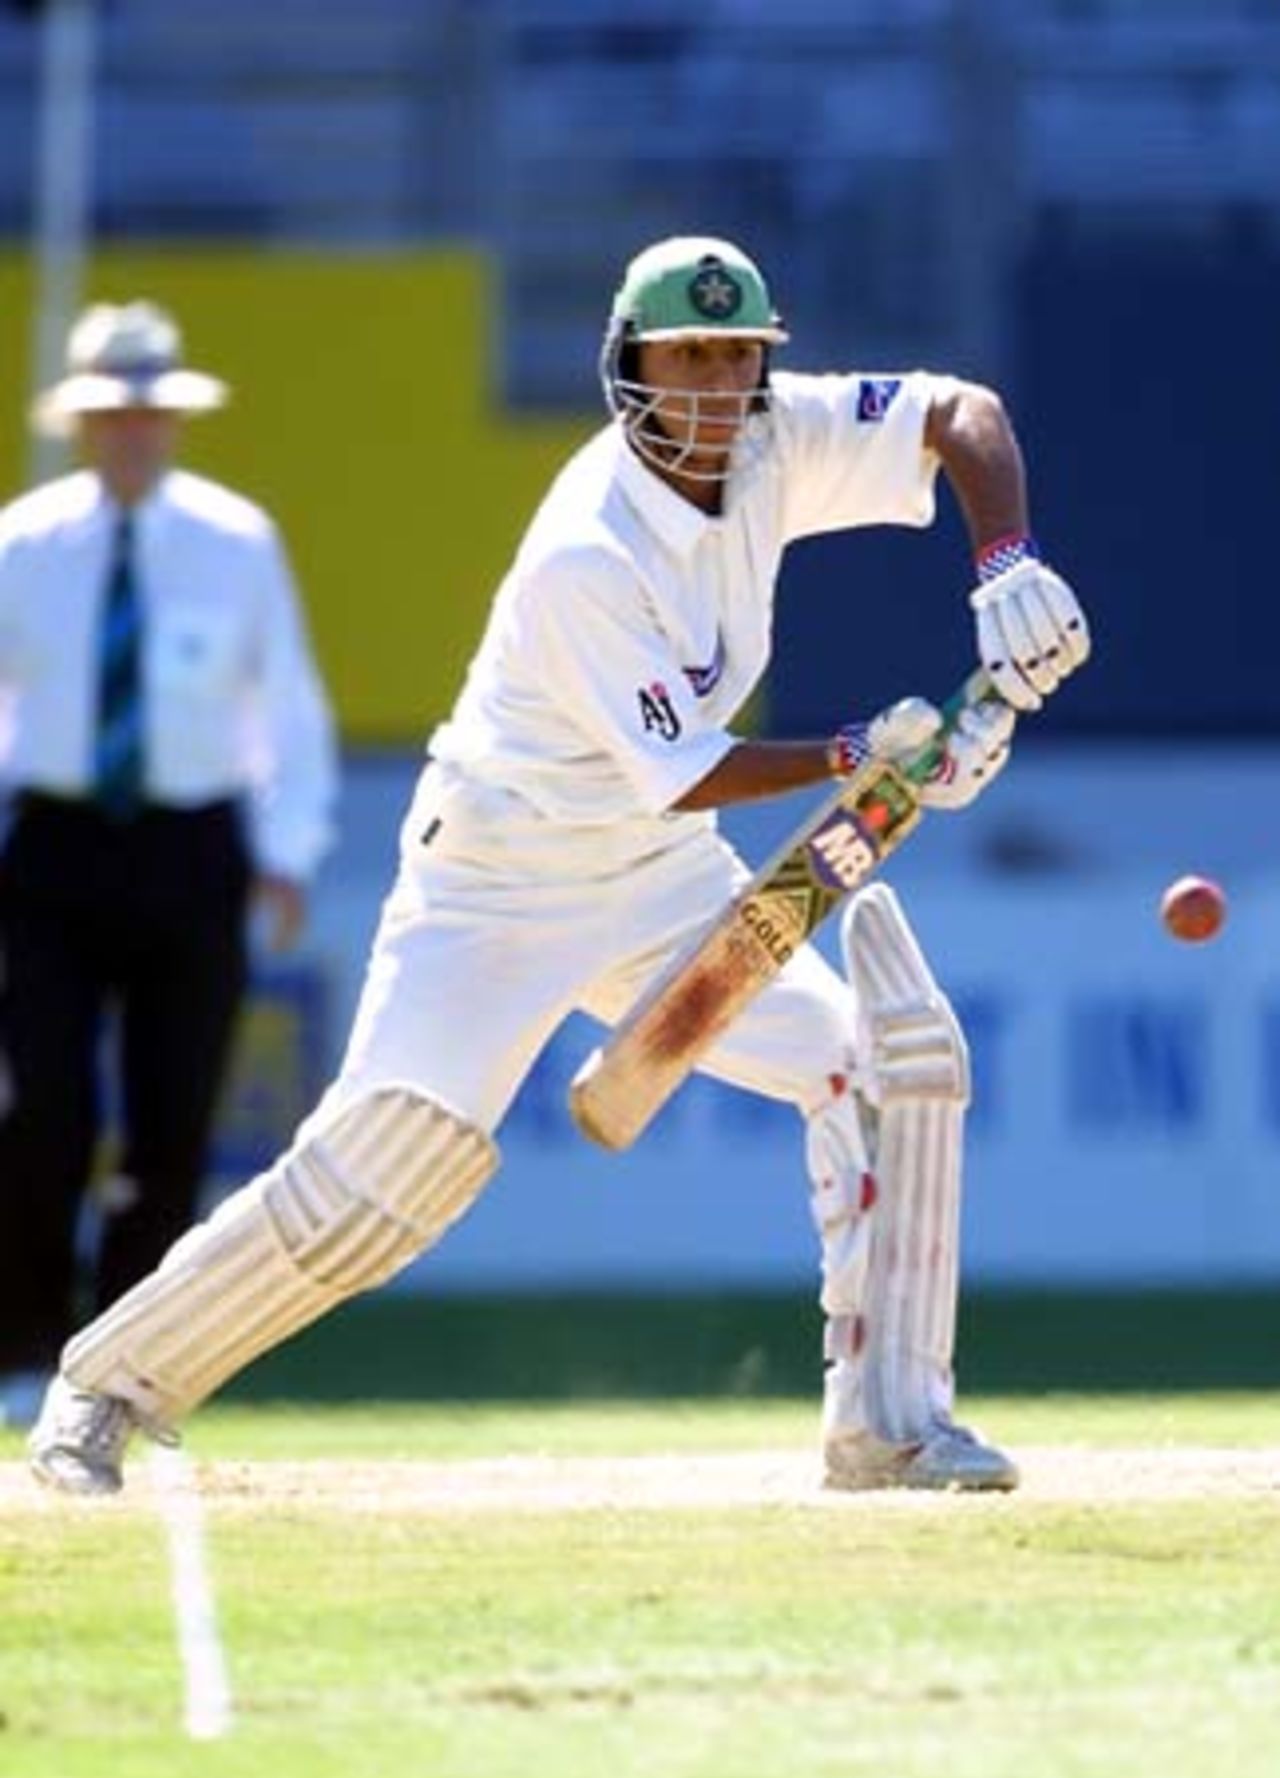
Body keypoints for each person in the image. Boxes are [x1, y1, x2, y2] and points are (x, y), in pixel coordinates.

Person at [27, 237, 1088, 1496]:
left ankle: (888, 1423)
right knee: (383, 1171)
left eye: (735, 356)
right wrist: (870, 749)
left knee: (883, 1068)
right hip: (495, 881)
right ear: (626, 368)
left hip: (658, 874)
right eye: (682, 357)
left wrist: (1002, 564)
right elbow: (687, 766)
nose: (710, 387)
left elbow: (962, 414)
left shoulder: (774, 434)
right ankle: (102, 1391)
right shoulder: (587, 548)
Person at [0, 300, 338, 1429]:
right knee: (39, 1109)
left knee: (173, 1116)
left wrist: (283, 854)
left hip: (195, 850)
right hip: (53, 847)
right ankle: (25, 1344)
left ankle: (130, 1363)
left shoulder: (235, 541)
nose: (133, 431)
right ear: (86, 423)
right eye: (112, 413)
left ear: (173, 421)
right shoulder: (26, 542)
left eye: (149, 411)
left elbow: (286, 707)